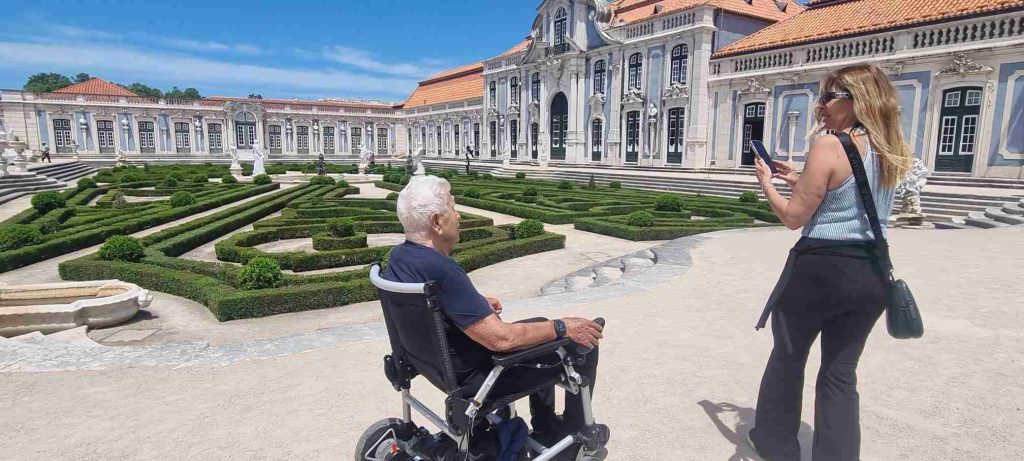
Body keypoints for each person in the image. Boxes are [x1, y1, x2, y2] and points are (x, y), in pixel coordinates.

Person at [746, 64, 912, 461]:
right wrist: (800, 178)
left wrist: (767, 184)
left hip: (819, 271)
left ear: (858, 100)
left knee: (788, 358)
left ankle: (776, 444)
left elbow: (793, 218)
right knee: (840, 373)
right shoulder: (891, 148)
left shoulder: (829, 145)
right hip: (870, 272)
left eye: (829, 97)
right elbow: (851, 195)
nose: (819, 106)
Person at [382, 175, 606, 440]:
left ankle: (546, 424)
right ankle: (573, 433)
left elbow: (431, 310)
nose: (459, 216)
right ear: (436, 222)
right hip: (479, 380)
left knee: (539, 322)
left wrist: (472, 305)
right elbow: (502, 340)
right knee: (582, 341)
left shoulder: (399, 257)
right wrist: (563, 326)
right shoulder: (442, 269)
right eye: (453, 208)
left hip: (436, 367)